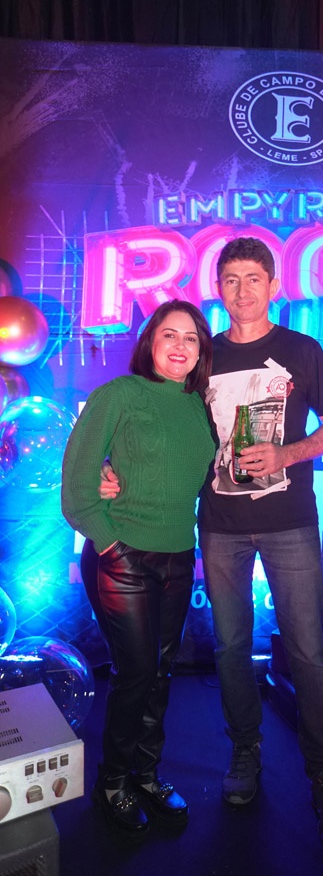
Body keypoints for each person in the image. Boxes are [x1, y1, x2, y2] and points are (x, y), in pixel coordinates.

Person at [101, 237, 323, 850]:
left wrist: (288, 453)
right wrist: (114, 471)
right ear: (219, 288)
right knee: (231, 647)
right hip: (219, 527)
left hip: (291, 521)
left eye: (254, 278)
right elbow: (161, 423)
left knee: (307, 652)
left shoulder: (301, 349)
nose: (243, 290)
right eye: (232, 279)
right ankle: (245, 753)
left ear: (274, 286)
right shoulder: (203, 357)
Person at [61, 300, 215, 837]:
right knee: (137, 672)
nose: (180, 346)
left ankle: (145, 774)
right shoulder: (119, 395)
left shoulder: (200, 407)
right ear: (150, 342)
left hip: (179, 555)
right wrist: (111, 544)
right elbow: (77, 489)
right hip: (121, 554)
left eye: (191, 338)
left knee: (162, 670)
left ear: (201, 351)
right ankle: (111, 783)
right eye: (169, 334)